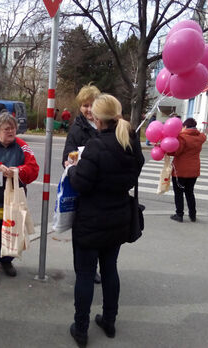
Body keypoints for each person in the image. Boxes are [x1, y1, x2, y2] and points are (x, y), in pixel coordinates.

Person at [67, 94, 144, 346]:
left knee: (86, 274)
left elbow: (81, 184)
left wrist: (73, 168)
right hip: (119, 217)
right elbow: (134, 173)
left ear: (98, 119)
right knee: (110, 270)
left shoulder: (96, 146)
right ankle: (109, 321)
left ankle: (80, 328)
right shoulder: (131, 141)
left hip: (91, 220)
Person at [0, 112, 39, 277]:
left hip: (14, 201)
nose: (11, 132)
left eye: (13, 129)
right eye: (6, 129)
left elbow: (34, 170)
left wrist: (18, 171)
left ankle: (6, 262)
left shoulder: (22, 146)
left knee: (11, 235)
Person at [62, 83, 102, 284]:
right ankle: (82, 270)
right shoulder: (77, 128)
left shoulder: (106, 125)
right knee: (82, 233)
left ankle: (93, 268)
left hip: (101, 188)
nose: (88, 109)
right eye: (84, 105)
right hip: (82, 186)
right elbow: (67, 156)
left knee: (99, 233)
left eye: (91, 104)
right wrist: (73, 161)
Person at [168, 118, 206, 223]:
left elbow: (176, 152)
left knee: (179, 193)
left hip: (180, 170)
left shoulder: (182, 138)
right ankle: (192, 215)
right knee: (190, 193)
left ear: (185, 127)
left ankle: (179, 214)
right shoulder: (200, 138)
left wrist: (167, 150)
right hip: (194, 170)